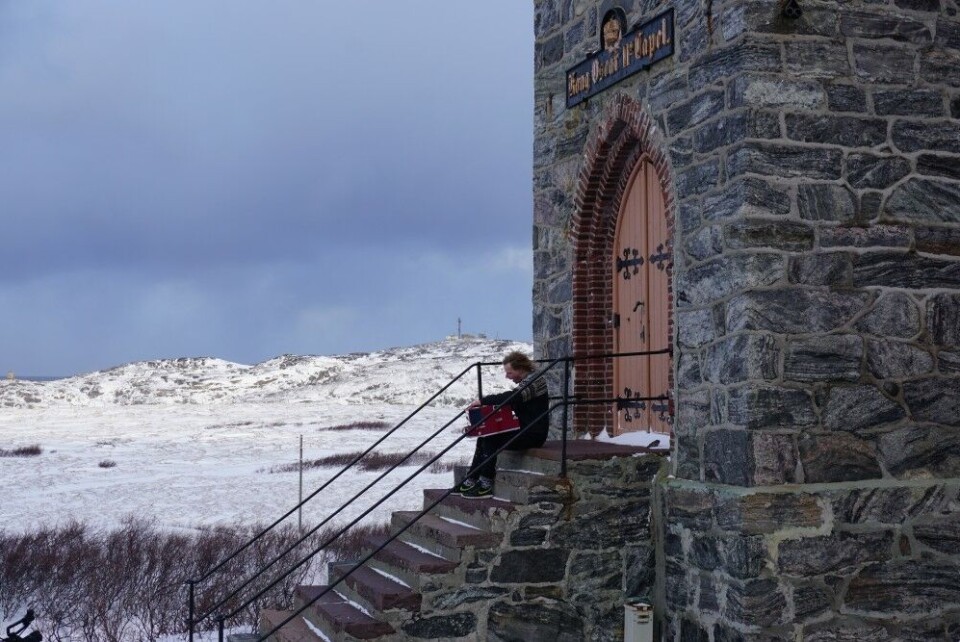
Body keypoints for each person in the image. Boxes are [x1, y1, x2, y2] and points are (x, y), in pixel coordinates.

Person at [456, 351, 549, 499]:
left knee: (491, 438)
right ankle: (471, 479)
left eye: (510, 373)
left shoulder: (535, 382)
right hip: (523, 429)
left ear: (520, 369)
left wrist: (483, 401)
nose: (507, 377)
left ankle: (486, 483)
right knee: (484, 437)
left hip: (533, 434)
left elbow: (513, 397)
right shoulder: (528, 381)